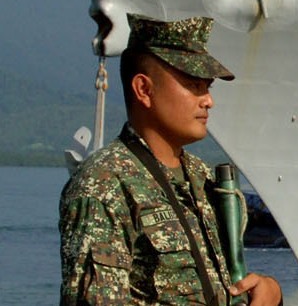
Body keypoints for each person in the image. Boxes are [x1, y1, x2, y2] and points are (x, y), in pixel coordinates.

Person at [60, 15, 282, 306]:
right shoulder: (103, 186)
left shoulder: (201, 179)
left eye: (208, 87)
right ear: (144, 90)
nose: (208, 100)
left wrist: (270, 292)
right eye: (193, 85)